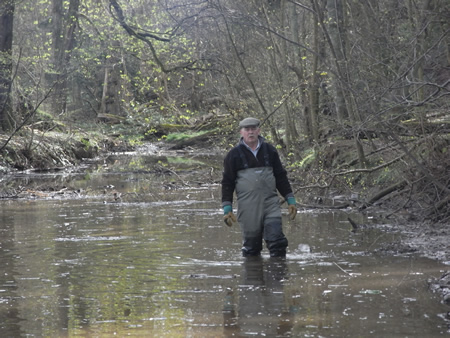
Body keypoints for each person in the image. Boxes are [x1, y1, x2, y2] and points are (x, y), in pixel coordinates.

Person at [221, 117, 297, 257]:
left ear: (259, 130)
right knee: (251, 249)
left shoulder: (270, 151)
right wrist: (227, 207)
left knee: (277, 243)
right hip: (247, 206)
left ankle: (278, 276)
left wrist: (290, 198)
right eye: (247, 129)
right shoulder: (233, 155)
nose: (250, 132)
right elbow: (227, 183)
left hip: (270, 204)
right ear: (241, 132)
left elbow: (280, 176)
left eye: (253, 129)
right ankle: (253, 275)